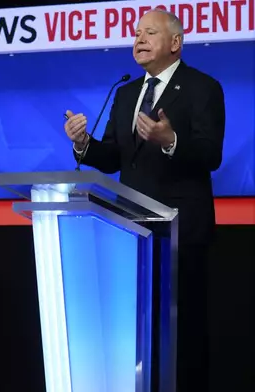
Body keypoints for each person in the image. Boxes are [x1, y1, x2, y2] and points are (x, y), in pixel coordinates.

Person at [63, 9, 225, 392]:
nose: (139, 39)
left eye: (150, 32)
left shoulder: (203, 88)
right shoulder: (126, 93)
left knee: (183, 335)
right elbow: (114, 157)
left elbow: (210, 155)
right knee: (138, 332)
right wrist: (83, 145)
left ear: (175, 43)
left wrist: (169, 140)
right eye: (136, 33)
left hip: (181, 232)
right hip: (131, 232)